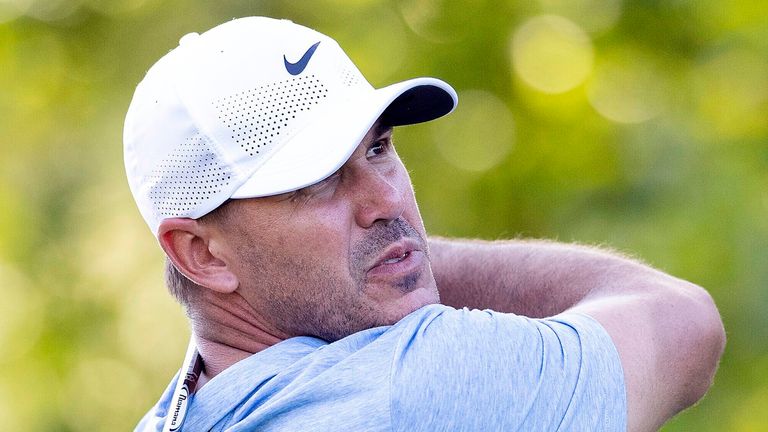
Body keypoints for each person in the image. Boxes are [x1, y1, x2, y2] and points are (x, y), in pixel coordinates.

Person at [124, 16, 725, 432]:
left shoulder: (170, 416)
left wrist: (380, 257)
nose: (386, 201)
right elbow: (682, 320)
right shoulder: (409, 386)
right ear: (201, 254)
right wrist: (400, 256)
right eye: (319, 182)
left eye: (379, 148)